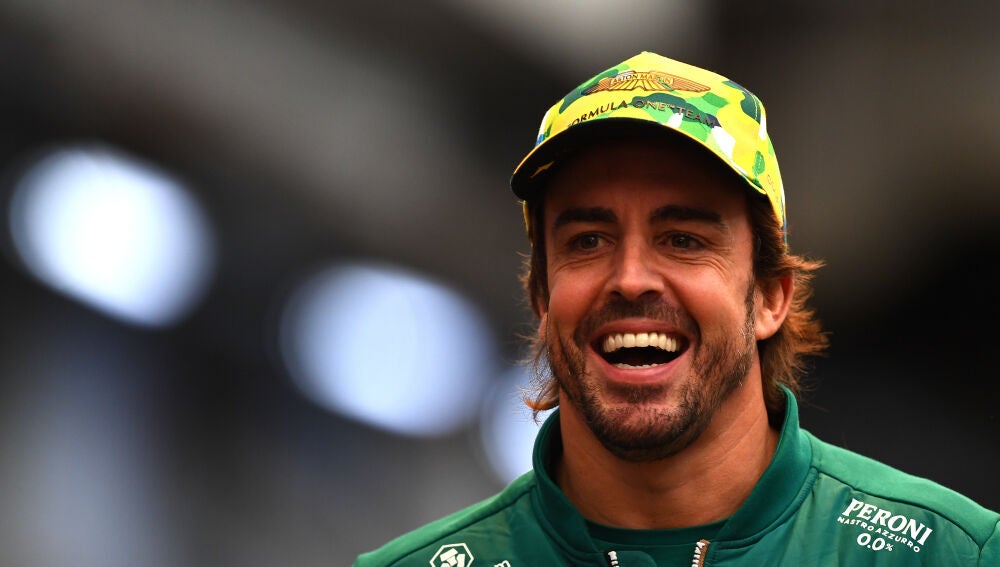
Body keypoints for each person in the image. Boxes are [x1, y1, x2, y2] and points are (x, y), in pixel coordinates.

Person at [354, 51, 999, 566]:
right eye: (588, 241)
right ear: (543, 299)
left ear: (770, 297)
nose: (631, 279)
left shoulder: (952, 553)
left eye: (683, 240)